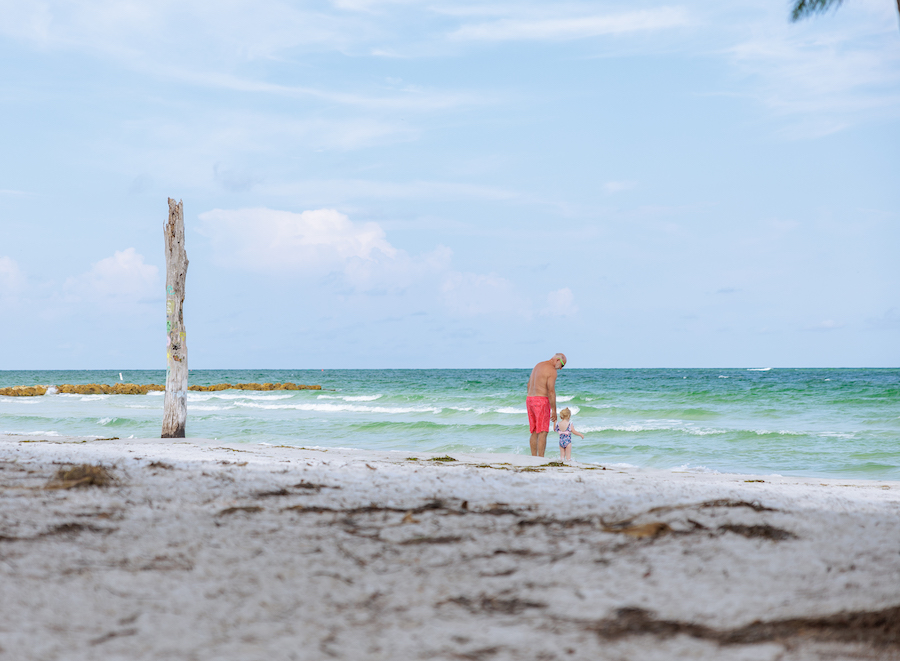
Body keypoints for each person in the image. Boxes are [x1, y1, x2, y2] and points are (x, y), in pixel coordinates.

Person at [526, 353, 566, 457]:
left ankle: (534, 457)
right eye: (562, 365)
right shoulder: (551, 370)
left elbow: (529, 385)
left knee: (534, 431)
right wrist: (554, 410)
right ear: (557, 360)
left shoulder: (538, 365)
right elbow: (551, 391)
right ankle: (540, 459)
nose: (561, 368)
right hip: (541, 401)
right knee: (543, 431)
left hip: (530, 399)